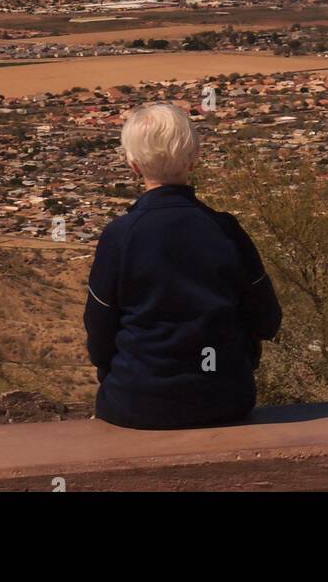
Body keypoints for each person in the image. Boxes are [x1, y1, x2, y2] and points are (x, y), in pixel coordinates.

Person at [83, 101, 282, 430]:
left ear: (133, 165)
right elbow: (267, 319)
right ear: (194, 158)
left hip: (135, 403)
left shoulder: (120, 235)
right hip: (226, 399)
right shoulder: (225, 230)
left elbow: (99, 327)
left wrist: (113, 371)